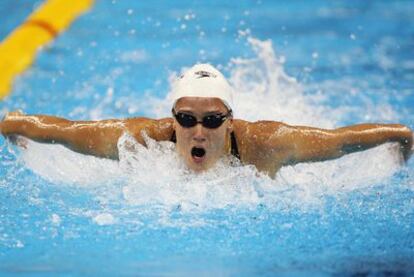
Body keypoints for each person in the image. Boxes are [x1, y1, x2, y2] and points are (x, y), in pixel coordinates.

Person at [0, 64, 413, 177]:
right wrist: (14, 124)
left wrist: (401, 136)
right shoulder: (143, 141)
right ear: (173, 120)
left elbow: (339, 140)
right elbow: (65, 132)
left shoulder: (265, 144)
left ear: (231, 121)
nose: (199, 131)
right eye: (187, 119)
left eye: (213, 120)